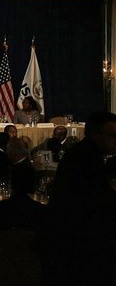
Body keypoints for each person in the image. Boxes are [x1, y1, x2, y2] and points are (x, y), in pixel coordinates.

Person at [47, 112, 116, 285]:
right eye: (112, 135)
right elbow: (94, 201)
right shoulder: (88, 158)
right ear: (96, 134)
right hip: (79, 242)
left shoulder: (83, 153)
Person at [0, 157, 47, 286]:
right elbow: (45, 247)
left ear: (11, 183)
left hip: (0, 272)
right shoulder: (41, 212)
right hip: (32, 272)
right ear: (33, 184)